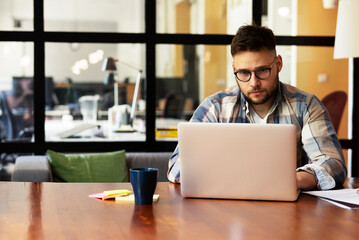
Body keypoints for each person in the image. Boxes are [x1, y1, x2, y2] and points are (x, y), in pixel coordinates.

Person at [167, 25, 347, 191]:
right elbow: (176, 167)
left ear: (278, 64)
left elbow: (333, 164)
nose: (254, 83)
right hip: (226, 212)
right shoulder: (215, 108)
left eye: (262, 71)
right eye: (244, 73)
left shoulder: (306, 105)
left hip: (289, 212)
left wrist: (290, 180)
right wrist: (242, 178)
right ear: (234, 69)